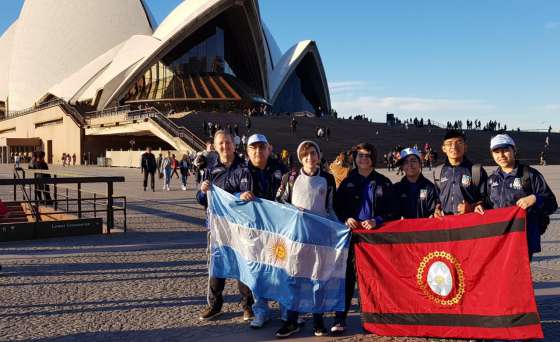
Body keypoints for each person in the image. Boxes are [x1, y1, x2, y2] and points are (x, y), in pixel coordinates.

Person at [332, 142, 397, 334]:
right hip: (352, 236)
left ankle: (372, 319)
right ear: (355, 158)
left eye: (367, 156)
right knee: (347, 277)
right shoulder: (347, 181)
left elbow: (393, 211)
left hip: (374, 239)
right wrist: (346, 218)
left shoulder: (384, 182)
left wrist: (377, 220)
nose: (363, 159)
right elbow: (337, 206)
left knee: (372, 279)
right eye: (360, 155)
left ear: (373, 159)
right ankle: (340, 318)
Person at [275, 140, 337, 338]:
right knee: (295, 278)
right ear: (300, 157)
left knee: (318, 279)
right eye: (305, 154)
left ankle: (318, 320)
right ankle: (292, 320)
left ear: (319, 156)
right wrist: (294, 210)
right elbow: (279, 201)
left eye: (313, 153)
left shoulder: (327, 178)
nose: (310, 157)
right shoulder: (290, 177)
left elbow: (330, 207)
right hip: (296, 237)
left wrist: (339, 229)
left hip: (319, 236)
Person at [196, 130, 255, 322]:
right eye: (221, 143)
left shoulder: (244, 169)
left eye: (227, 143)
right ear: (215, 146)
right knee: (217, 265)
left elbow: (246, 195)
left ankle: (248, 306)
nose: (224, 146)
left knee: (242, 264)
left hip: (239, 227)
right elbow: (202, 200)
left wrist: (241, 196)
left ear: (234, 144)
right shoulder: (211, 171)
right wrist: (203, 192)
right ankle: (215, 305)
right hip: (218, 227)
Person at [234, 133, 288, 329]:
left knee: (282, 269)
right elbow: (227, 194)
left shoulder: (281, 169)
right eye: (253, 148)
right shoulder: (241, 171)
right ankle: (261, 310)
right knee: (258, 271)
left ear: (269, 149)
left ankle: (286, 309)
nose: (258, 151)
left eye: (261, 147)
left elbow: (292, 193)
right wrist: (239, 194)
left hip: (277, 231)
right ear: (248, 151)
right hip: (253, 232)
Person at [484, 134, 558, 261]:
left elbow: (552, 204)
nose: (501, 155)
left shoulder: (530, 175)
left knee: (518, 276)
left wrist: (535, 198)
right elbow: (487, 206)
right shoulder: (491, 179)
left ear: (514, 150)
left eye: (505, 150)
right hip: (498, 238)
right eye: (496, 152)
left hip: (523, 238)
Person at [433, 130, 487, 216]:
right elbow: (437, 199)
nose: (454, 146)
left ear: (465, 147)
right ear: (443, 148)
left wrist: (471, 207)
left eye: (459, 143)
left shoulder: (476, 170)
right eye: (449, 144)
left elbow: (486, 199)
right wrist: (437, 209)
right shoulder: (438, 172)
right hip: (446, 224)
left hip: (469, 223)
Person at [393, 148, 438, 218]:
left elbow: (434, 212)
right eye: (406, 162)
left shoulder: (430, 188)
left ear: (420, 164)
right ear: (402, 167)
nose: (410, 165)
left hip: (425, 227)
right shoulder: (396, 189)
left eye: (413, 161)